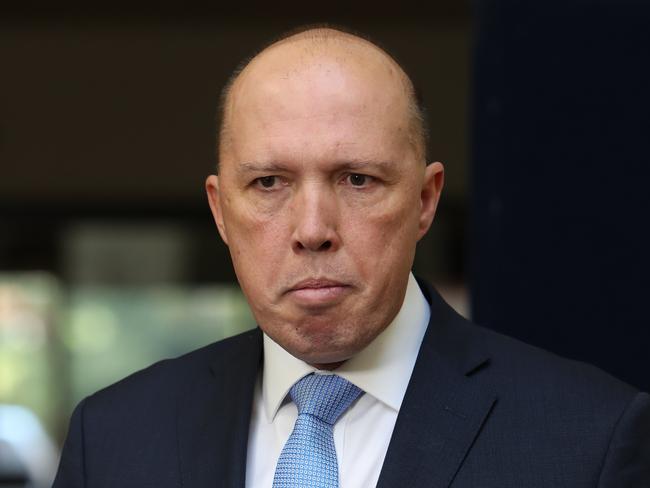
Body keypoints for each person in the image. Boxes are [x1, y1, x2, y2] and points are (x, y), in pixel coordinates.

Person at [53, 26, 650, 488]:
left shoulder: (588, 440)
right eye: (268, 183)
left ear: (424, 199)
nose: (313, 230)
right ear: (219, 211)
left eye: (358, 180)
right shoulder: (112, 440)